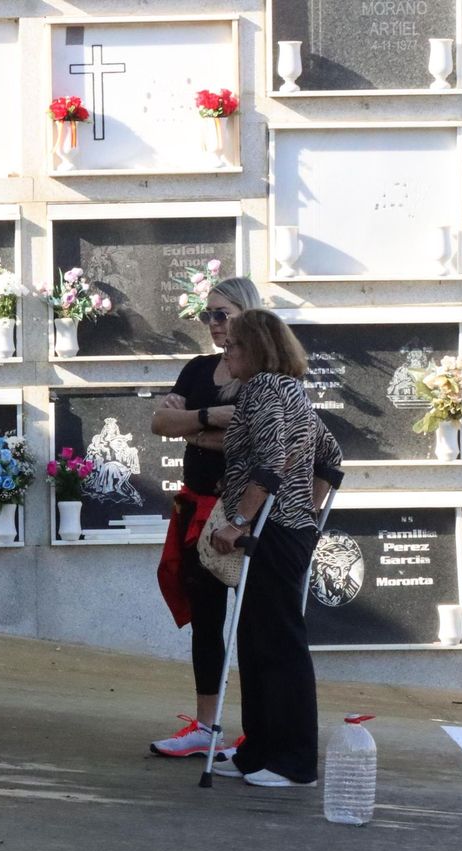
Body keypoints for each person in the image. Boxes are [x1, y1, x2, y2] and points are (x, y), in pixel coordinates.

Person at [205, 309, 344, 787]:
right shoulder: (291, 391)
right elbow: (331, 457)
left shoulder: (265, 389)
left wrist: (239, 520)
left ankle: (294, 762)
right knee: (258, 640)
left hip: (272, 531)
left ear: (258, 349)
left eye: (235, 346)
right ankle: (258, 748)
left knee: (279, 645)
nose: (228, 353)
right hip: (289, 529)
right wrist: (309, 507)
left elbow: (271, 461)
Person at [149, 277, 262, 758]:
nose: (213, 324)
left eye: (223, 314)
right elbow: (158, 424)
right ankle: (206, 726)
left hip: (244, 512)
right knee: (206, 622)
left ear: (248, 314)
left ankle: (262, 728)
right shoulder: (197, 369)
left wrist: (189, 424)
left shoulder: (266, 377)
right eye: (207, 315)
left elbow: (255, 438)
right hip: (196, 508)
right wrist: (209, 419)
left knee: (256, 626)